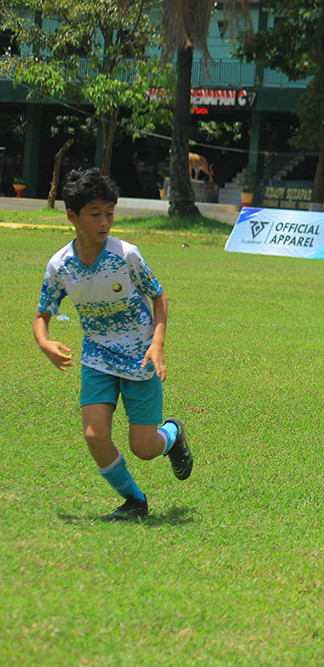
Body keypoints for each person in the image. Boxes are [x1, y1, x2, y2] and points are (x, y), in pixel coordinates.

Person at [32, 168, 193, 521]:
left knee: (144, 447)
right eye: (96, 214)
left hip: (139, 358)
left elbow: (159, 296)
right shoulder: (60, 266)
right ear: (73, 217)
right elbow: (42, 315)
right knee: (94, 434)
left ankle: (172, 432)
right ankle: (134, 501)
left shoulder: (126, 255)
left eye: (110, 212)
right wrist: (44, 343)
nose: (105, 221)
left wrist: (158, 345)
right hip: (96, 358)